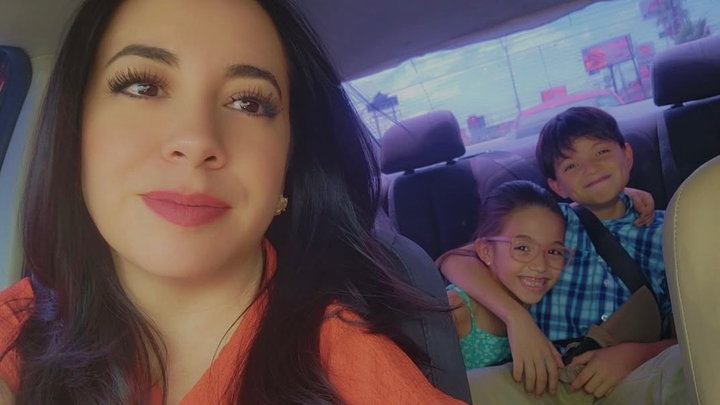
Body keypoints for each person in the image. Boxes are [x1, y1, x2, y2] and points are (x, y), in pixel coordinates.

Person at [0, 1, 469, 404]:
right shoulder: (17, 324)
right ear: (75, 131)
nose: (196, 139)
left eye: (249, 103)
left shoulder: (358, 375)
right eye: (143, 86)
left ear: (288, 163)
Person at [441, 107, 685, 404]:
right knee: (449, 394)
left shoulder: (672, 230)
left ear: (627, 154)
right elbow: (454, 261)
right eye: (571, 165)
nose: (590, 169)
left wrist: (633, 355)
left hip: (635, 374)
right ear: (557, 186)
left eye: (601, 152)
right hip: (544, 377)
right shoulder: (549, 223)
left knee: (685, 368)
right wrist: (517, 319)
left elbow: (691, 333)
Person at [440, 181, 573, 371]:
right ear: (486, 251)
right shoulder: (456, 310)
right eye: (522, 248)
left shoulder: (530, 296)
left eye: (554, 251)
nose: (540, 266)